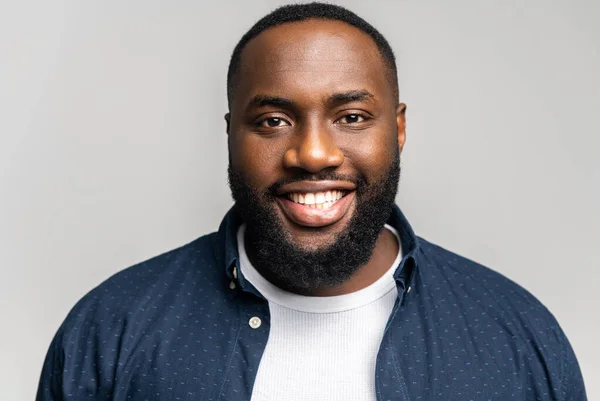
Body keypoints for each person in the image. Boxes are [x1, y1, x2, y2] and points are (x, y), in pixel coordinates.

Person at [36, 3, 587, 400]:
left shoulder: (516, 334)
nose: (314, 154)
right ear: (231, 135)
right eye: (273, 121)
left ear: (397, 130)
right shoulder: (111, 330)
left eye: (351, 117)